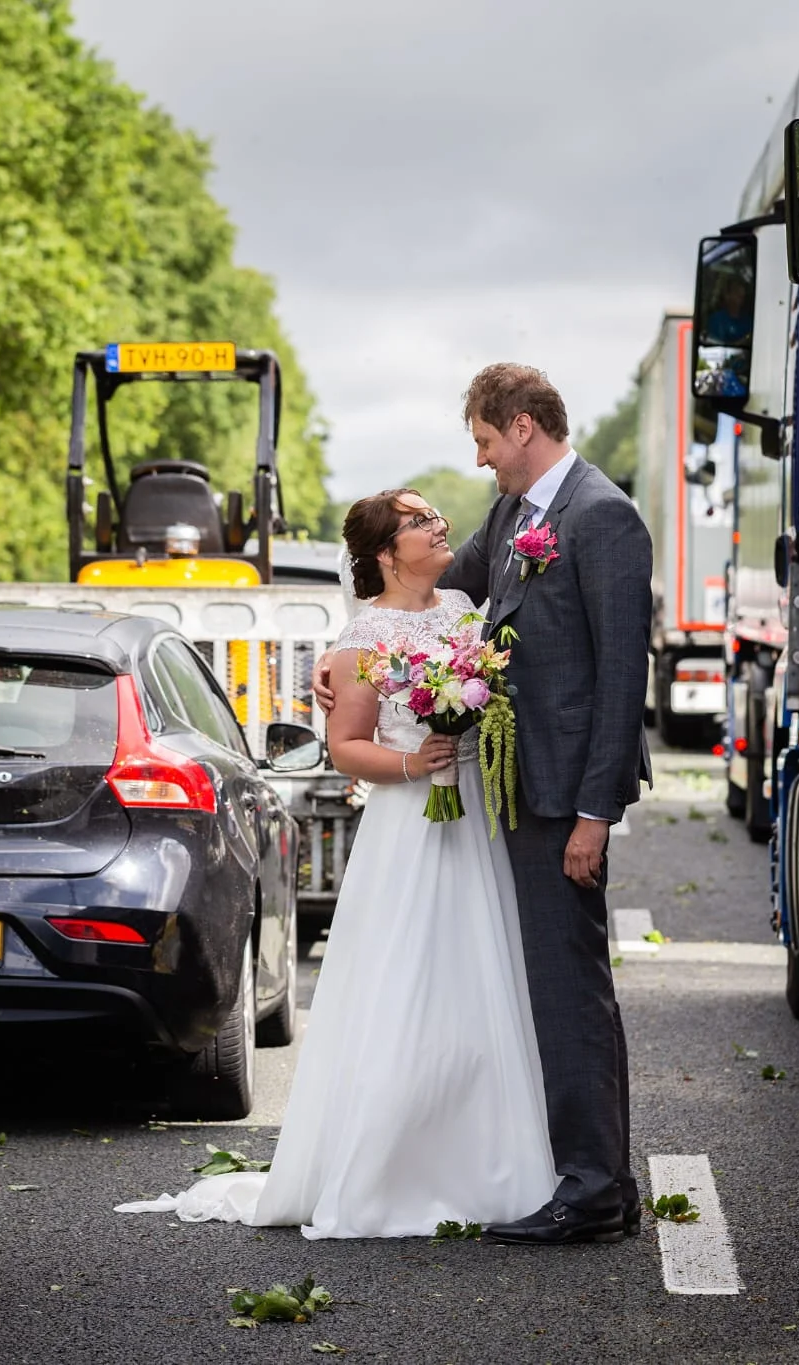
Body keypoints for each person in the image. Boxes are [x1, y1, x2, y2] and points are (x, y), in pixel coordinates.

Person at [116, 488, 557, 1238]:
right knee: (401, 987)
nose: (438, 525)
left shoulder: (462, 612)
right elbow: (349, 746)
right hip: (409, 827)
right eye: (419, 521)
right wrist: (416, 763)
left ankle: (490, 1163)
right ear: (387, 552)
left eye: (432, 515)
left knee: (479, 983)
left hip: (472, 820)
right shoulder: (361, 639)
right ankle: (385, 1169)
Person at [316, 363, 652, 1246]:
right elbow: (417, 601)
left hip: (558, 795)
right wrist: (340, 662)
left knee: (571, 989)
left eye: (484, 440)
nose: (480, 461)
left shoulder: (602, 515)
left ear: (525, 426)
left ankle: (593, 1191)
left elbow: (622, 677)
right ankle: (592, 1174)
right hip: (507, 792)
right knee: (541, 986)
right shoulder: (514, 516)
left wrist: (596, 813)